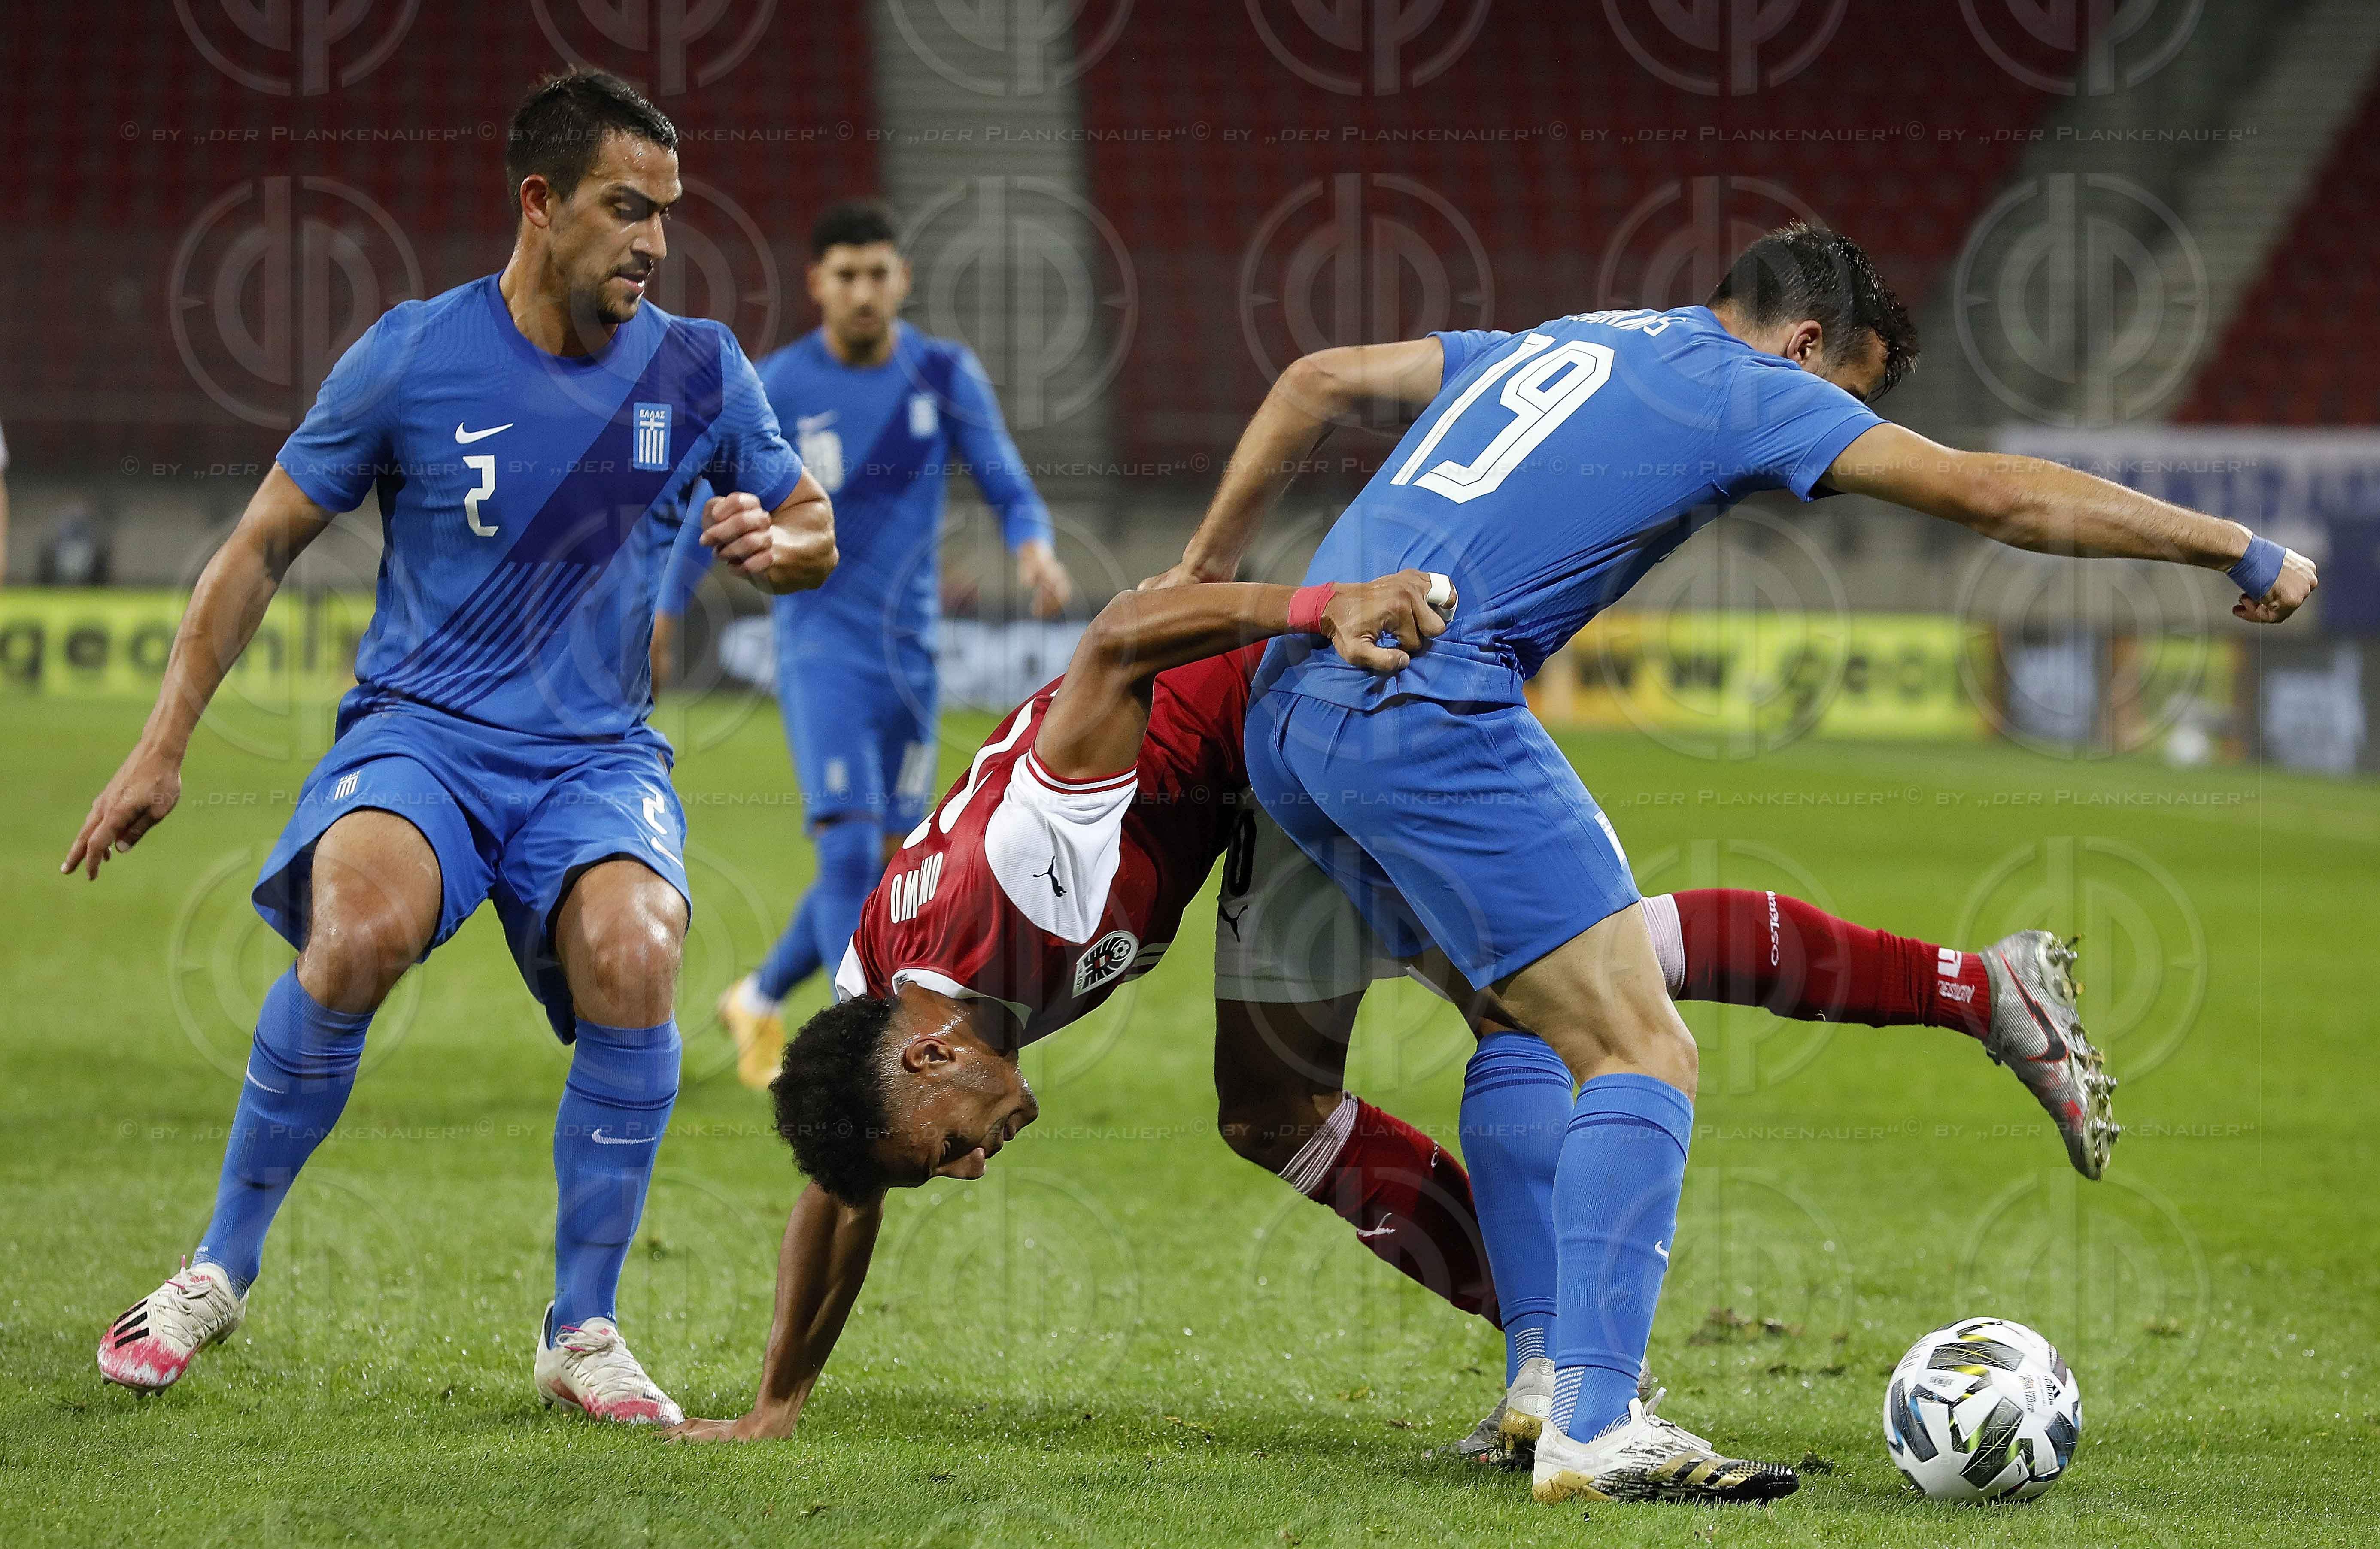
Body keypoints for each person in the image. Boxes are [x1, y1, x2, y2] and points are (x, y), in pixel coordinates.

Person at [1180, 221, 2313, 1504]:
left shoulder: (1565, 339)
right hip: (1428, 703)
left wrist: (1207, 567)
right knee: (1641, 1048)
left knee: (1519, 1015)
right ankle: (1599, 1427)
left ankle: (1546, 1383)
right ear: (1807, 342)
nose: (1836, 436)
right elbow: (1996, 494)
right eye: (1851, 398)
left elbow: (1320, 378)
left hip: (1290, 711)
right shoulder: (1747, 384)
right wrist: (2230, 546)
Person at [660, 580, 2110, 1445]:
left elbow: (1120, 635)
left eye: (951, 1149)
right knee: (1271, 1106)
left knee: (1550, 989)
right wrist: (780, 1398)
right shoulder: (881, 997)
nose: (974, 1165)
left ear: (932, 1053)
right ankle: (1548, 1355)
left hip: (1309, 704)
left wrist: (1320, 602)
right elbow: (842, 1189)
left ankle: (1975, 990)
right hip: (1245, 794)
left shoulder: (1027, 867)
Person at [68, 71, 834, 1425]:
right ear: (540, 202)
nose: (655, 243)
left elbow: (811, 521)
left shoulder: (701, 368)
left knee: (641, 952)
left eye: (666, 213)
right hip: (422, 736)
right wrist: (161, 745)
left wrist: (779, 545)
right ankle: (216, 1269)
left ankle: (582, 1328)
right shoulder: (414, 355)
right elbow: (260, 546)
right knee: (358, 932)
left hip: (596, 758)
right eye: (626, 208)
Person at [650, 199, 1072, 1090]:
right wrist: (664, 610)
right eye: (846, 276)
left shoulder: (942, 374)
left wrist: (1034, 548)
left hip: (912, 662)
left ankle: (757, 995)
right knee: (847, 849)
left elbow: (1004, 479)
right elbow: (708, 504)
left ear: (902, 279)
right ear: (818, 284)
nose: (864, 291)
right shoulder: (777, 384)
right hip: (821, 649)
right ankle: (864, 1059)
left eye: (878, 273)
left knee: (885, 868)